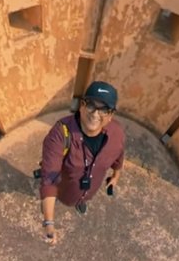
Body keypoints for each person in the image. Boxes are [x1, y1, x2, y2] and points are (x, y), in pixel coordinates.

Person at [36, 81, 125, 243]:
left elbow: (118, 155)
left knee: (84, 197)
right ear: (82, 106)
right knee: (61, 196)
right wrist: (49, 223)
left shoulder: (116, 133)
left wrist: (116, 175)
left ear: (111, 115)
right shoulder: (60, 133)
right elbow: (49, 179)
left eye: (104, 109)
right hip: (65, 187)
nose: (95, 113)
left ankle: (81, 201)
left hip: (92, 188)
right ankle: (69, 200)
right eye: (91, 105)